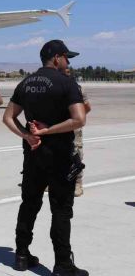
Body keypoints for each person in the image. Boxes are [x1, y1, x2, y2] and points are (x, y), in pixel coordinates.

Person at [2, 40, 88, 275]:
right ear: (57, 58)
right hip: (59, 156)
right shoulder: (66, 83)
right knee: (60, 210)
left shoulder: (26, 83)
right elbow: (79, 119)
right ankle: (63, 264)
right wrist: (47, 131)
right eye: (66, 57)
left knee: (29, 204)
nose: (68, 62)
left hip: (33, 155)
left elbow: (8, 117)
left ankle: (21, 255)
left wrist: (27, 135)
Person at [65, 69, 91, 197]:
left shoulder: (78, 89)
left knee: (76, 153)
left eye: (67, 72)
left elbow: (87, 107)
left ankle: (77, 183)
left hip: (74, 127)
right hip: (58, 126)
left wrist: (77, 118)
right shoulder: (54, 87)